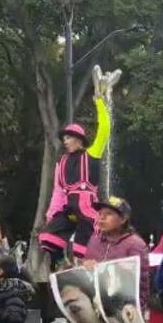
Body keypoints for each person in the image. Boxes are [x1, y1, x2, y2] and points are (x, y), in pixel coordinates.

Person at [40, 91, 110, 268]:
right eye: (64, 138)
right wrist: (51, 214)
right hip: (69, 208)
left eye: (69, 137)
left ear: (79, 140)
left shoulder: (92, 154)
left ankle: (90, 269)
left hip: (87, 208)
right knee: (48, 237)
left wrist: (100, 104)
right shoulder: (62, 162)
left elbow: (105, 130)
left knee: (85, 247)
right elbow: (58, 191)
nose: (65, 141)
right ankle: (64, 264)